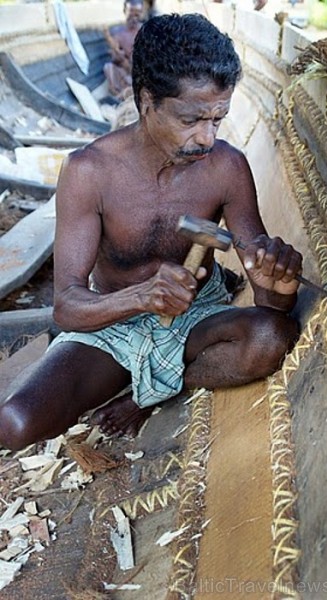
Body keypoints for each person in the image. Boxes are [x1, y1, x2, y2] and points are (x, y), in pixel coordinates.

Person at [0, 13, 302, 452]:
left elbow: (271, 306)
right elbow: (66, 305)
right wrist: (141, 297)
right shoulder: (89, 172)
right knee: (15, 424)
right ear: (147, 101)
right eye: (190, 119)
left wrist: (281, 285)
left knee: (270, 339)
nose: (206, 137)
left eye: (217, 119)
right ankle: (146, 379)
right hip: (112, 322)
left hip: (197, 318)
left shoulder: (227, 168)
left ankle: (154, 390)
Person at [103, 0, 144, 98]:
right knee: (108, 67)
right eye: (131, 14)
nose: (134, 18)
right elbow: (114, 58)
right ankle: (120, 96)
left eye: (137, 15)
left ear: (142, 13)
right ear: (125, 11)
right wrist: (118, 56)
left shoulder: (144, 31)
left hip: (141, 73)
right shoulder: (118, 33)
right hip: (125, 73)